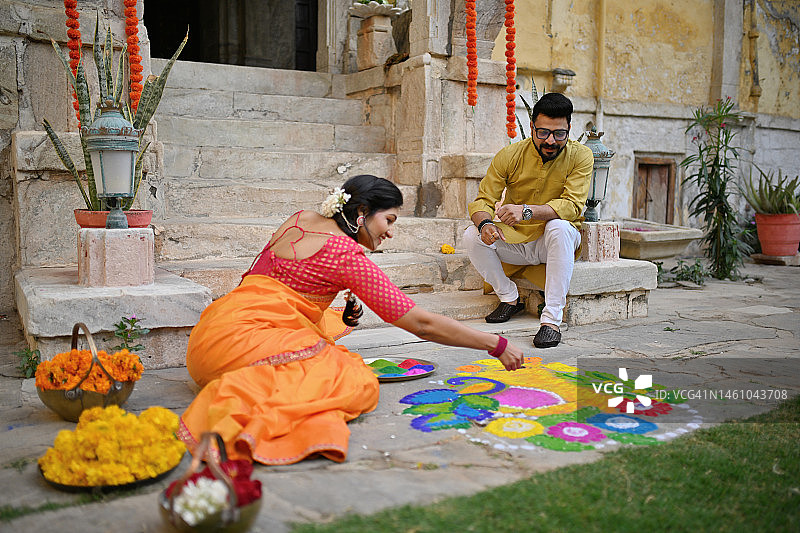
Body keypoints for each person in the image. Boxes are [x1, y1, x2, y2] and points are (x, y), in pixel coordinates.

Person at [178, 174, 524, 466]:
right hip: (236, 354)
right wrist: (495, 343)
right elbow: (420, 324)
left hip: (210, 336)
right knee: (351, 377)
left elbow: (270, 282)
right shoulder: (347, 256)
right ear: (361, 213)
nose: (390, 232)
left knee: (324, 350)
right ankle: (231, 419)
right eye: (388, 220)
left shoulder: (299, 219)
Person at [464, 93, 593, 349]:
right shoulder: (510, 155)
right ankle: (510, 298)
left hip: (554, 242)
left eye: (559, 134)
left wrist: (526, 211)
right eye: (543, 132)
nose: (550, 141)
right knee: (472, 235)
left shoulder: (581, 156)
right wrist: (485, 225)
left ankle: (551, 321)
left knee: (559, 227)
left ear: (569, 129)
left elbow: (572, 205)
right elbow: (483, 200)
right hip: (516, 239)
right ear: (532, 127)